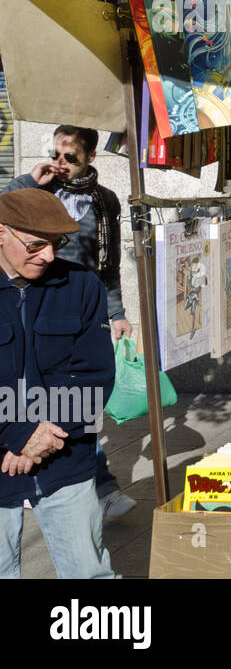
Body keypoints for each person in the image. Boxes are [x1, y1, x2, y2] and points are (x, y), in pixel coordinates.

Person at [4, 126, 136, 520]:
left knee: (73, 390)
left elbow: (108, 262)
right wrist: (32, 181)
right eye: (55, 154)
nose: (60, 164)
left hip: (79, 300)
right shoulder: (37, 193)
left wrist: (116, 311)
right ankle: (98, 482)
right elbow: (6, 215)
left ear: (90, 159)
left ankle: (101, 485)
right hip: (31, 299)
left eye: (70, 158)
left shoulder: (104, 201)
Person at [0, 187, 116, 578]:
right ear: (1, 233)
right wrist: (16, 433)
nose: (49, 256)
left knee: (89, 573)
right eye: (35, 245)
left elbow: (94, 375)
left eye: (55, 244)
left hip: (65, 457)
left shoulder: (82, 285)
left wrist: (43, 438)